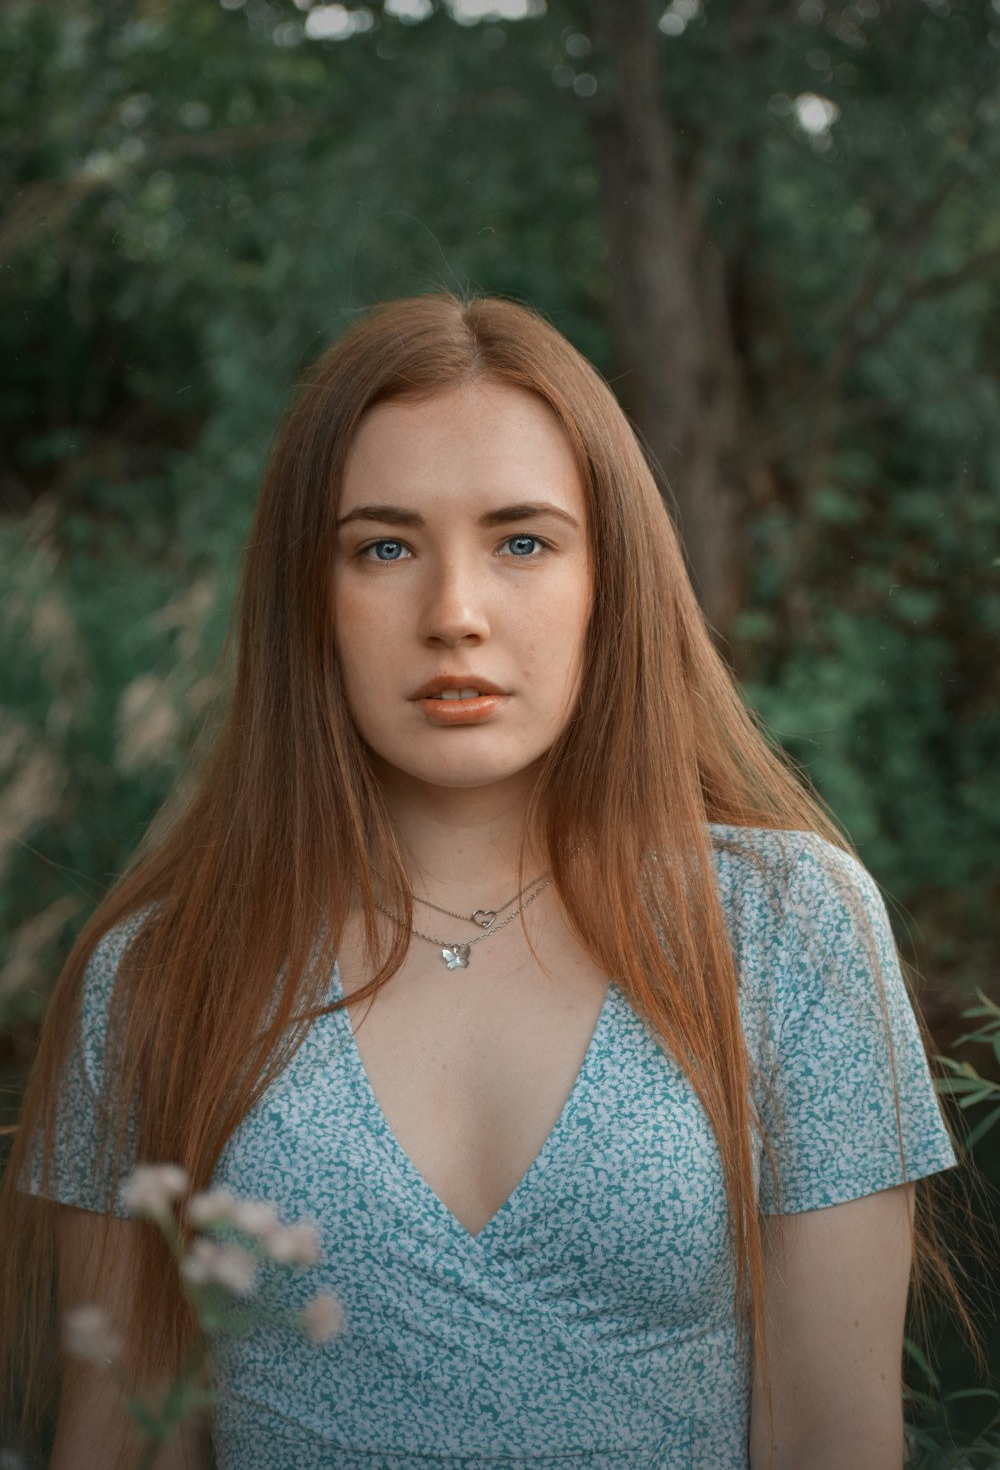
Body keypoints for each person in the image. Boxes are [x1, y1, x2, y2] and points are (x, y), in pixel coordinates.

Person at [0, 291, 971, 1469]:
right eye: (384, 547)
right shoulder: (161, 972)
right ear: (309, 596)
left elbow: (833, 1440)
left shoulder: (784, 926)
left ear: (608, 581)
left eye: (522, 542)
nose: (453, 615)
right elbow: (124, 1448)